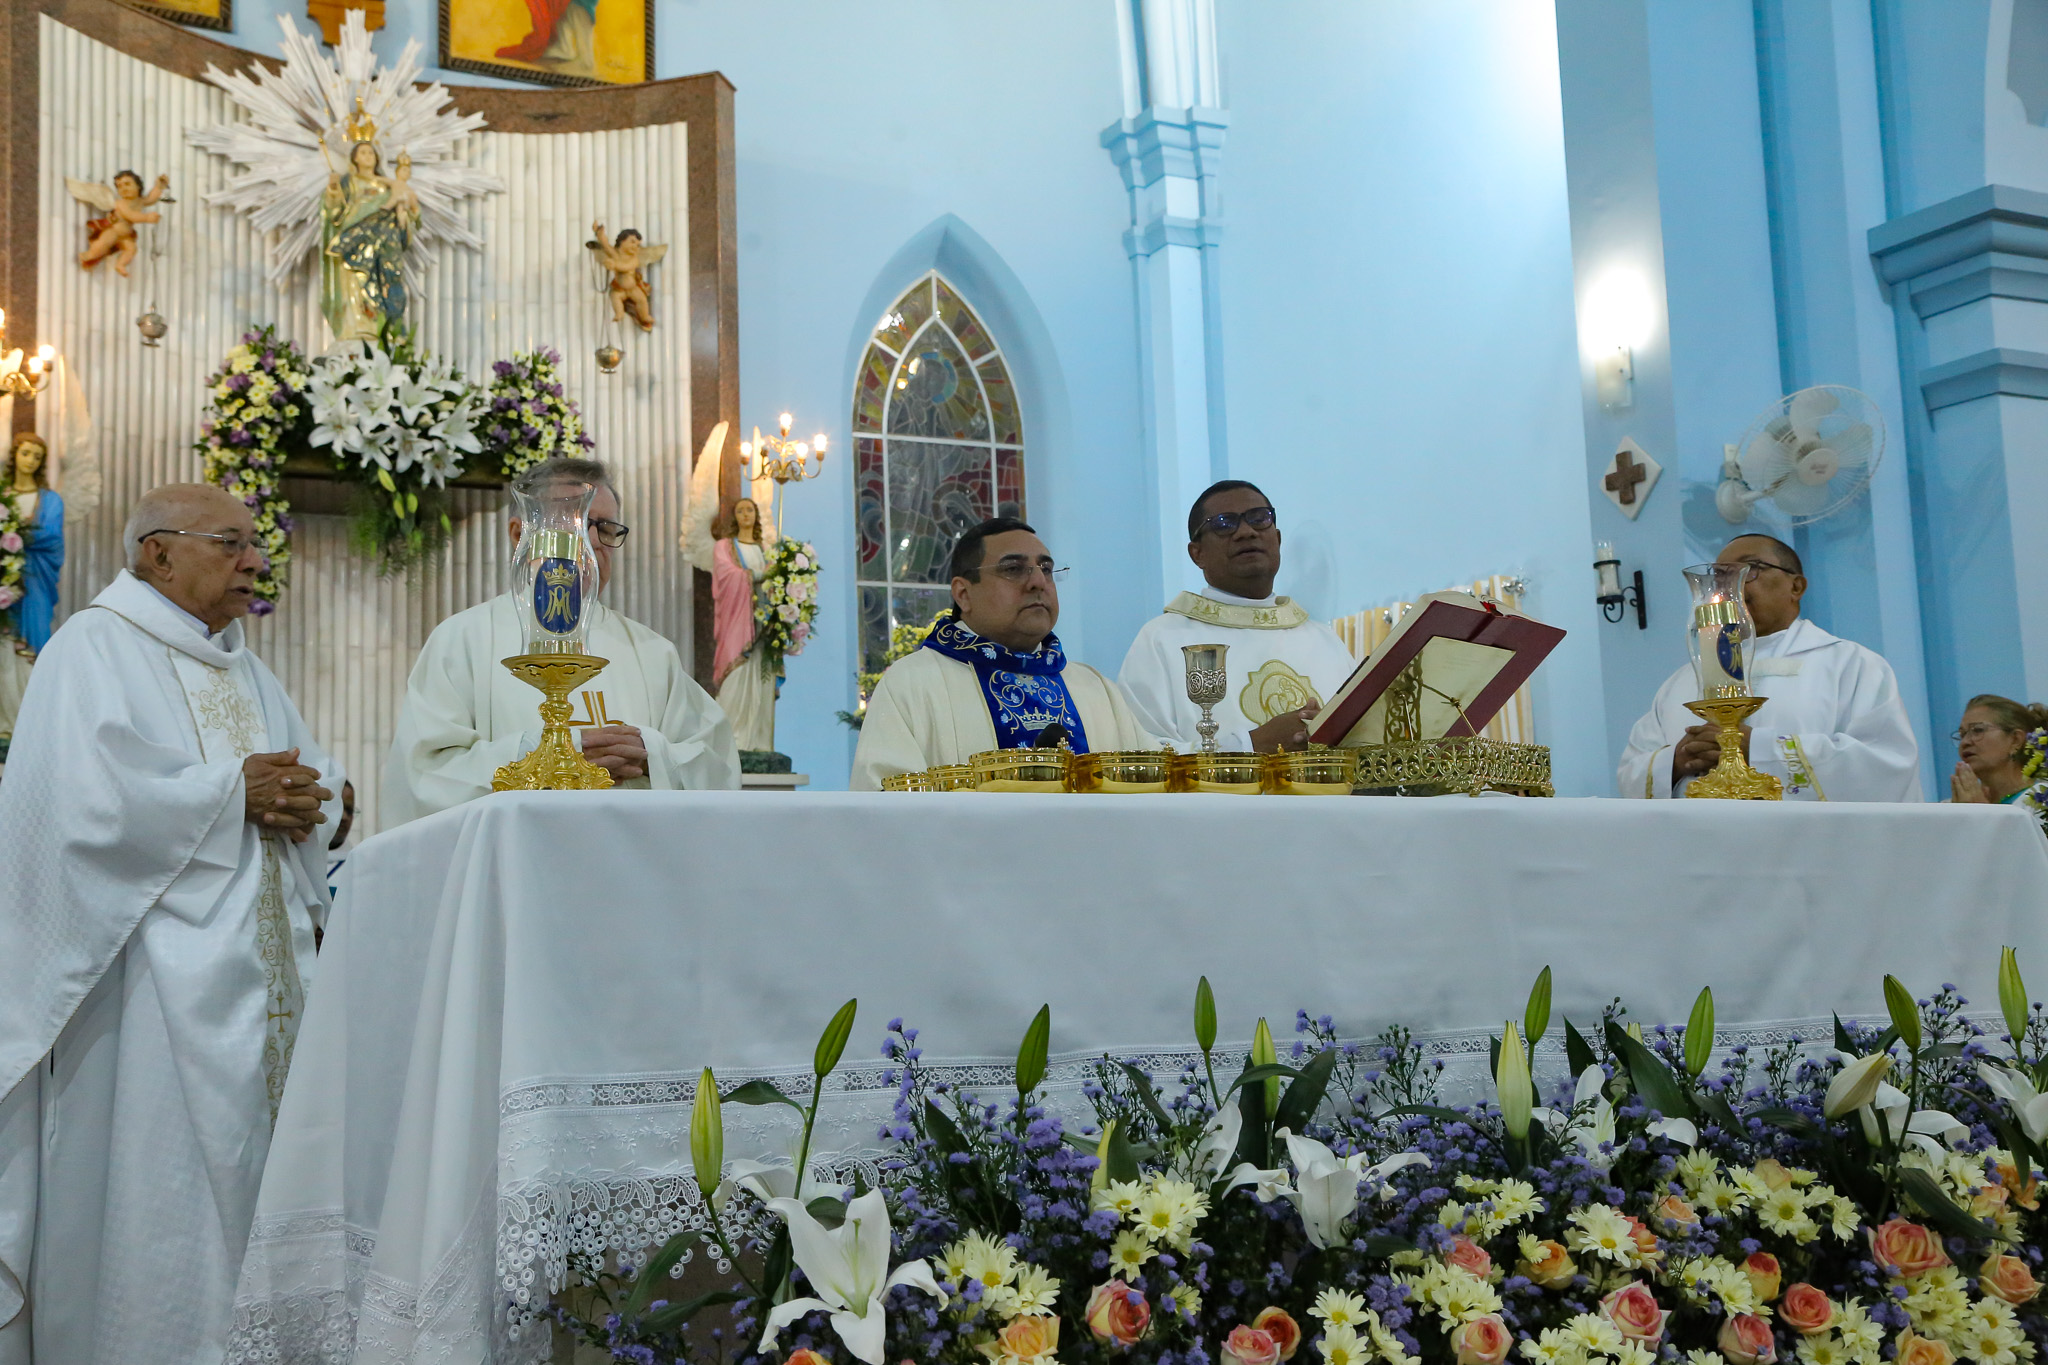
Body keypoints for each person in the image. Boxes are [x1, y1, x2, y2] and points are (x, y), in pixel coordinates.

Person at [0, 483, 342, 1363]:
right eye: (230, 543)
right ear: (158, 551)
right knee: (159, 1196)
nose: (255, 561)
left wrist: (321, 801)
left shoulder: (243, 665)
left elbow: (307, 774)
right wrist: (233, 794)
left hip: (265, 984)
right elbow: (76, 806)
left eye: (253, 544)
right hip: (142, 994)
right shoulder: (91, 647)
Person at [384, 456, 739, 822]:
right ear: (520, 535)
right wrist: (548, 755)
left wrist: (651, 755)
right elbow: (423, 776)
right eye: (577, 523)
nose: (593, 542)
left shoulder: (652, 653)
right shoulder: (462, 641)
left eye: (606, 528)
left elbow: (717, 765)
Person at [852, 517, 1157, 789]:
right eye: (1013, 569)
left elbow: (1154, 793)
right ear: (963, 594)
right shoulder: (912, 684)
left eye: (1046, 569)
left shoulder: (1095, 689)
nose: (1038, 582)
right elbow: (885, 810)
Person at [1618, 534, 1922, 801]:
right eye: (1721, 576)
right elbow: (1631, 771)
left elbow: (1886, 764)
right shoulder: (1682, 682)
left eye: (1750, 569)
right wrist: (1676, 762)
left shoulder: (1850, 665)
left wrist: (1759, 749)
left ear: (1796, 586)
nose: (1731, 585)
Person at [1119, 481, 1358, 753]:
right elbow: (1137, 751)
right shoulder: (1161, 640)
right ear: (1197, 554)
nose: (1246, 532)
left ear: (1277, 539)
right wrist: (1250, 745)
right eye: (1224, 524)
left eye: (1259, 519)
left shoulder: (1326, 641)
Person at [711, 496, 777, 751]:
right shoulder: (725, 547)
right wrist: (759, 575)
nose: (746, 514)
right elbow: (726, 577)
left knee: (763, 678)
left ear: (756, 515)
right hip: (737, 624)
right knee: (736, 677)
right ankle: (734, 741)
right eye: (741, 510)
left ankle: (760, 743)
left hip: (764, 627)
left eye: (750, 510)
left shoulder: (765, 549)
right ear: (735, 517)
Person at [1947, 694, 2047, 804]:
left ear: (2015, 740)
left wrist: (1980, 812)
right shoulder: (1954, 804)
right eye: (1962, 735)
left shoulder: (2041, 800)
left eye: (1978, 730)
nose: (1965, 742)